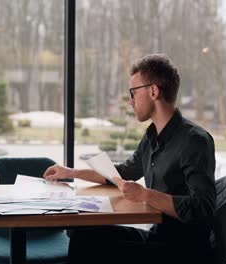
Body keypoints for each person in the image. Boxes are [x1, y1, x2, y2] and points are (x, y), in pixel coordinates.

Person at [43, 54, 216, 264]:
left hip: (181, 251)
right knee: (82, 234)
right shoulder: (152, 135)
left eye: (133, 92)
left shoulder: (194, 141)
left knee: (88, 247)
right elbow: (123, 173)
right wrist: (72, 172)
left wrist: (145, 194)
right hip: (158, 237)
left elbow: (203, 209)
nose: (130, 100)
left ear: (153, 91)